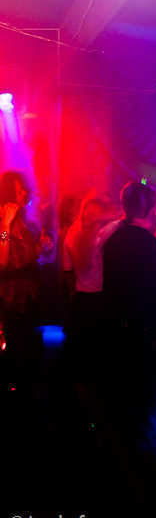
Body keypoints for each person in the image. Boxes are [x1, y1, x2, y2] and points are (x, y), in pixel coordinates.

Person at [102, 181, 156, 391]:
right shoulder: (149, 242)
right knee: (138, 380)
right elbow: (154, 288)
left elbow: (108, 282)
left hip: (116, 319)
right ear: (146, 208)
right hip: (139, 322)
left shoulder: (112, 238)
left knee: (119, 380)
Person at [62, 191, 122, 381]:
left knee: (77, 348)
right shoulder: (98, 238)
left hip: (79, 300)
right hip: (97, 299)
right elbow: (122, 215)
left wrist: (71, 293)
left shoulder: (71, 236)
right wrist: (99, 217)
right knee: (95, 348)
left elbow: (67, 270)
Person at [0, 170, 46, 407]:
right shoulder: (4, 223)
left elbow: (27, 258)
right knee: (17, 359)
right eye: (19, 191)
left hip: (28, 300)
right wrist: (5, 225)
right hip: (11, 303)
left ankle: (27, 405)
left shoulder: (20, 221)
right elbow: (2, 262)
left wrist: (40, 248)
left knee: (34, 355)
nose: (23, 195)